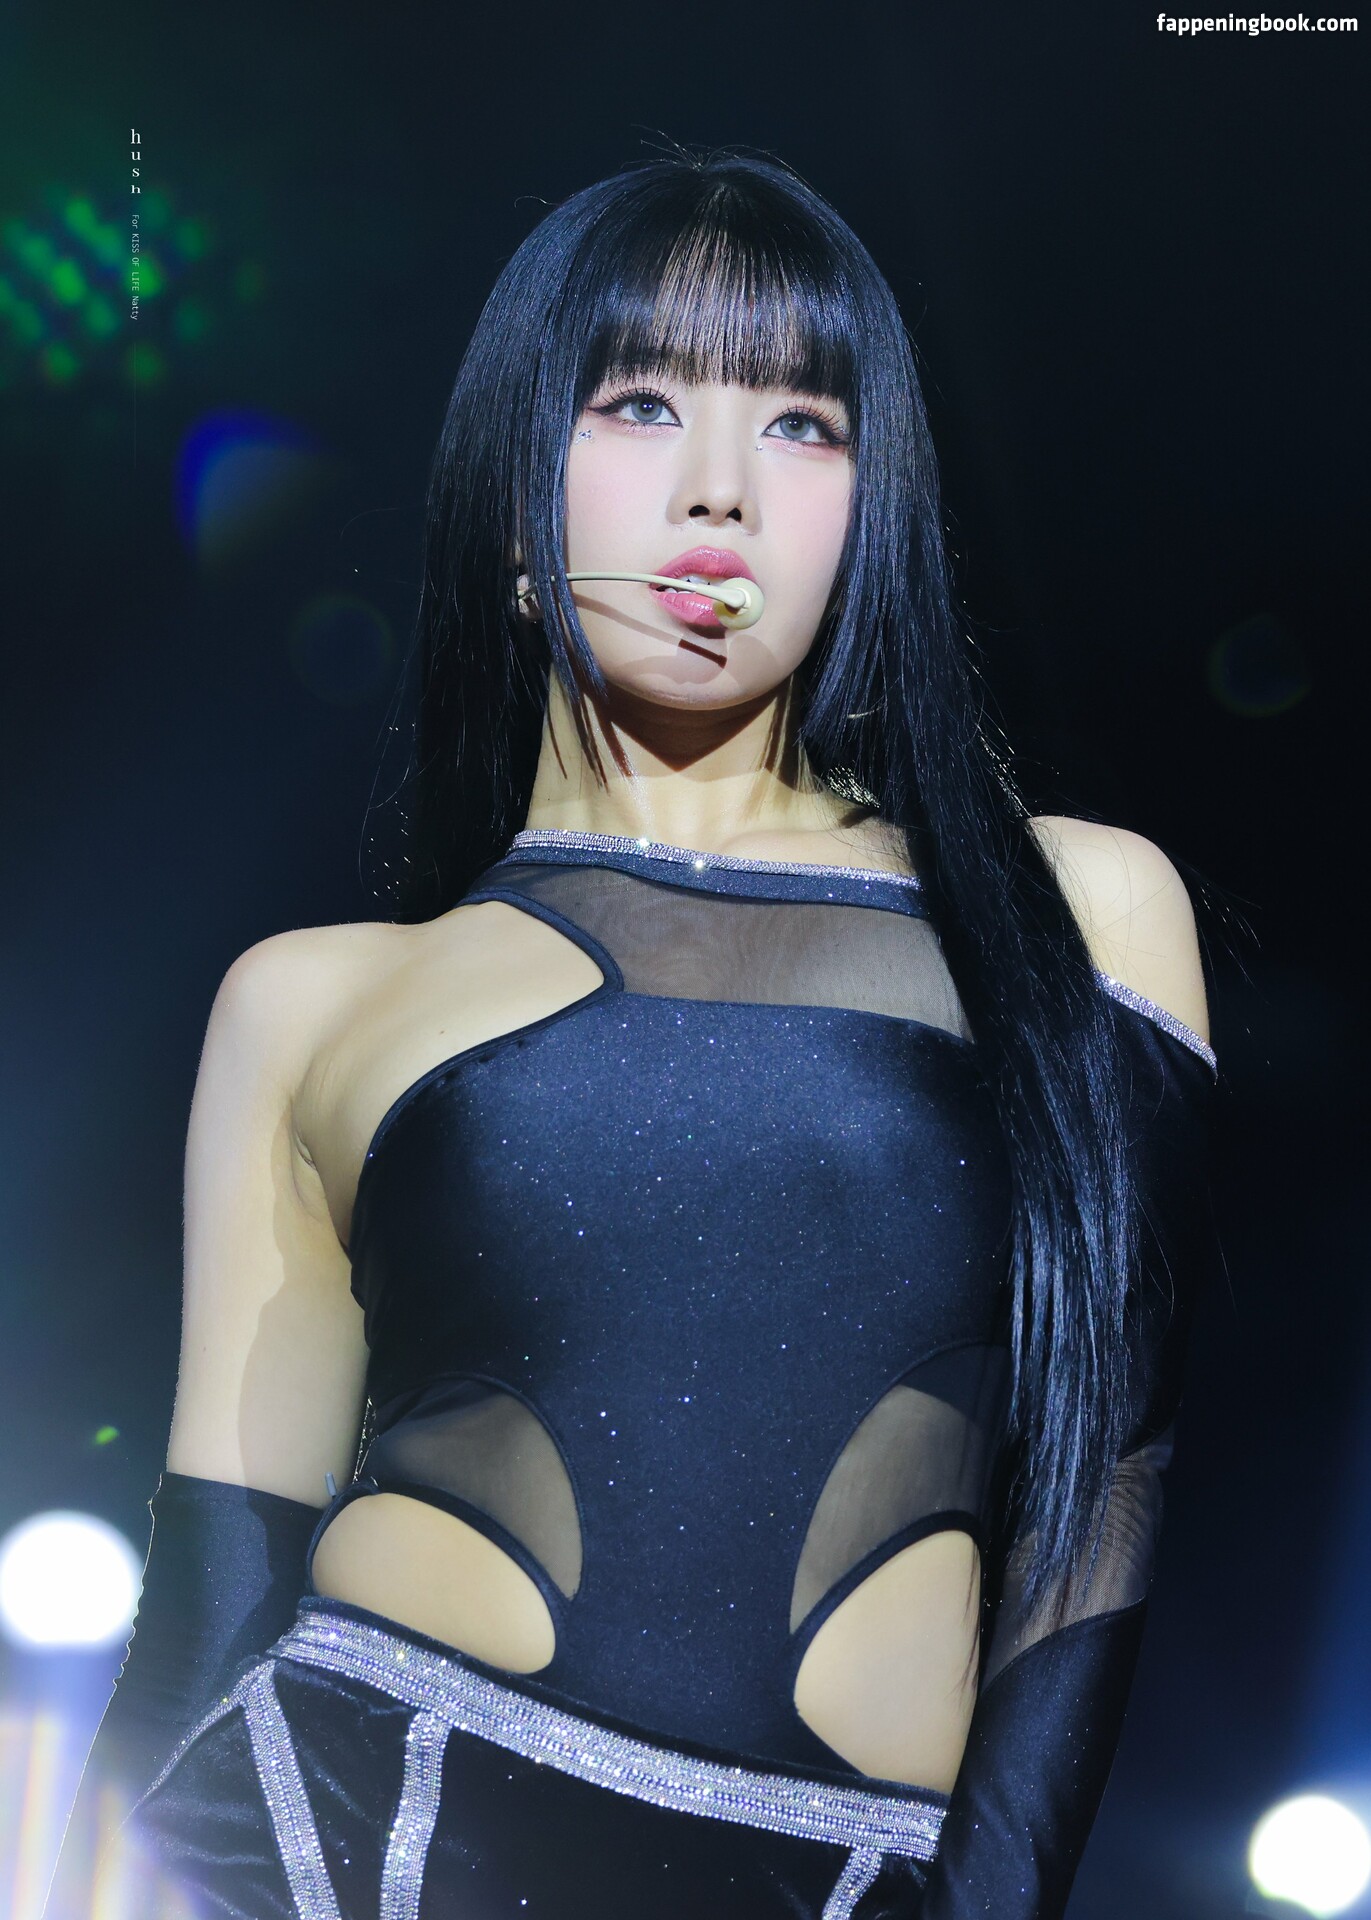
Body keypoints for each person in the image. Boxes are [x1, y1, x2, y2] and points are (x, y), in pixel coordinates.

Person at [45, 150, 1217, 1920]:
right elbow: (213, 1586)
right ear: (519, 497)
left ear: (871, 509)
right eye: (642, 403)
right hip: (326, 1847)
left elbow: (1105, 1484)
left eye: (804, 423)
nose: (721, 488)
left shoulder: (1074, 913)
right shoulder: (316, 996)